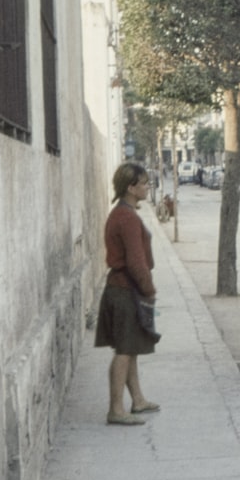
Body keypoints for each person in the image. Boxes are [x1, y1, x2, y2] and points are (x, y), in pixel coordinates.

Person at [94, 162, 161, 426]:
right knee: (124, 351)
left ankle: (138, 400)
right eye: (143, 183)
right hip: (126, 290)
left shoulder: (123, 214)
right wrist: (149, 289)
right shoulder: (127, 218)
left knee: (130, 347)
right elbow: (135, 261)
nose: (147, 187)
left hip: (122, 287)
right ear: (131, 188)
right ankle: (116, 409)